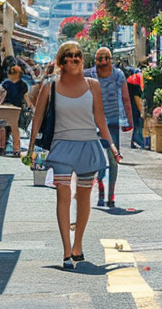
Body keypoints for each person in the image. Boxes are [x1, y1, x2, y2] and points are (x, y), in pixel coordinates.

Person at [27, 42, 120, 270]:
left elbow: (100, 118)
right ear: (61, 61)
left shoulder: (93, 85)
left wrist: (112, 145)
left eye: (78, 55)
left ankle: (78, 246)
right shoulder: (50, 87)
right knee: (63, 196)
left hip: (88, 145)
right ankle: (66, 250)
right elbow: (37, 120)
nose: (75, 58)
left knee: (84, 197)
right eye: (69, 55)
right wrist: (31, 149)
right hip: (61, 147)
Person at [85, 47, 133, 209]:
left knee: (109, 159)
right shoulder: (89, 75)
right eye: (100, 59)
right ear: (96, 60)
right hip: (94, 123)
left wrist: (129, 121)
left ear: (111, 60)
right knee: (104, 160)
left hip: (109, 123)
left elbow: (126, 98)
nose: (104, 62)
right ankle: (104, 189)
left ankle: (108, 192)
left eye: (106, 58)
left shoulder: (117, 75)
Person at [0, 64, 30, 153]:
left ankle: (2, 146)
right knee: (14, 127)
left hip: (8, 107)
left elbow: (1, 96)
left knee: (4, 126)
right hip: (16, 108)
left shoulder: (6, 83)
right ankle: (16, 148)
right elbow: (25, 97)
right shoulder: (23, 85)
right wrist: (30, 106)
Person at [127, 72, 146, 149]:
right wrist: (142, 111)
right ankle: (138, 141)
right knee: (137, 124)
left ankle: (133, 141)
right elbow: (137, 99)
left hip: (129, 106)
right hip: (134, 108)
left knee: (134, 125)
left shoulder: (129, 83)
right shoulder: (135, 86)